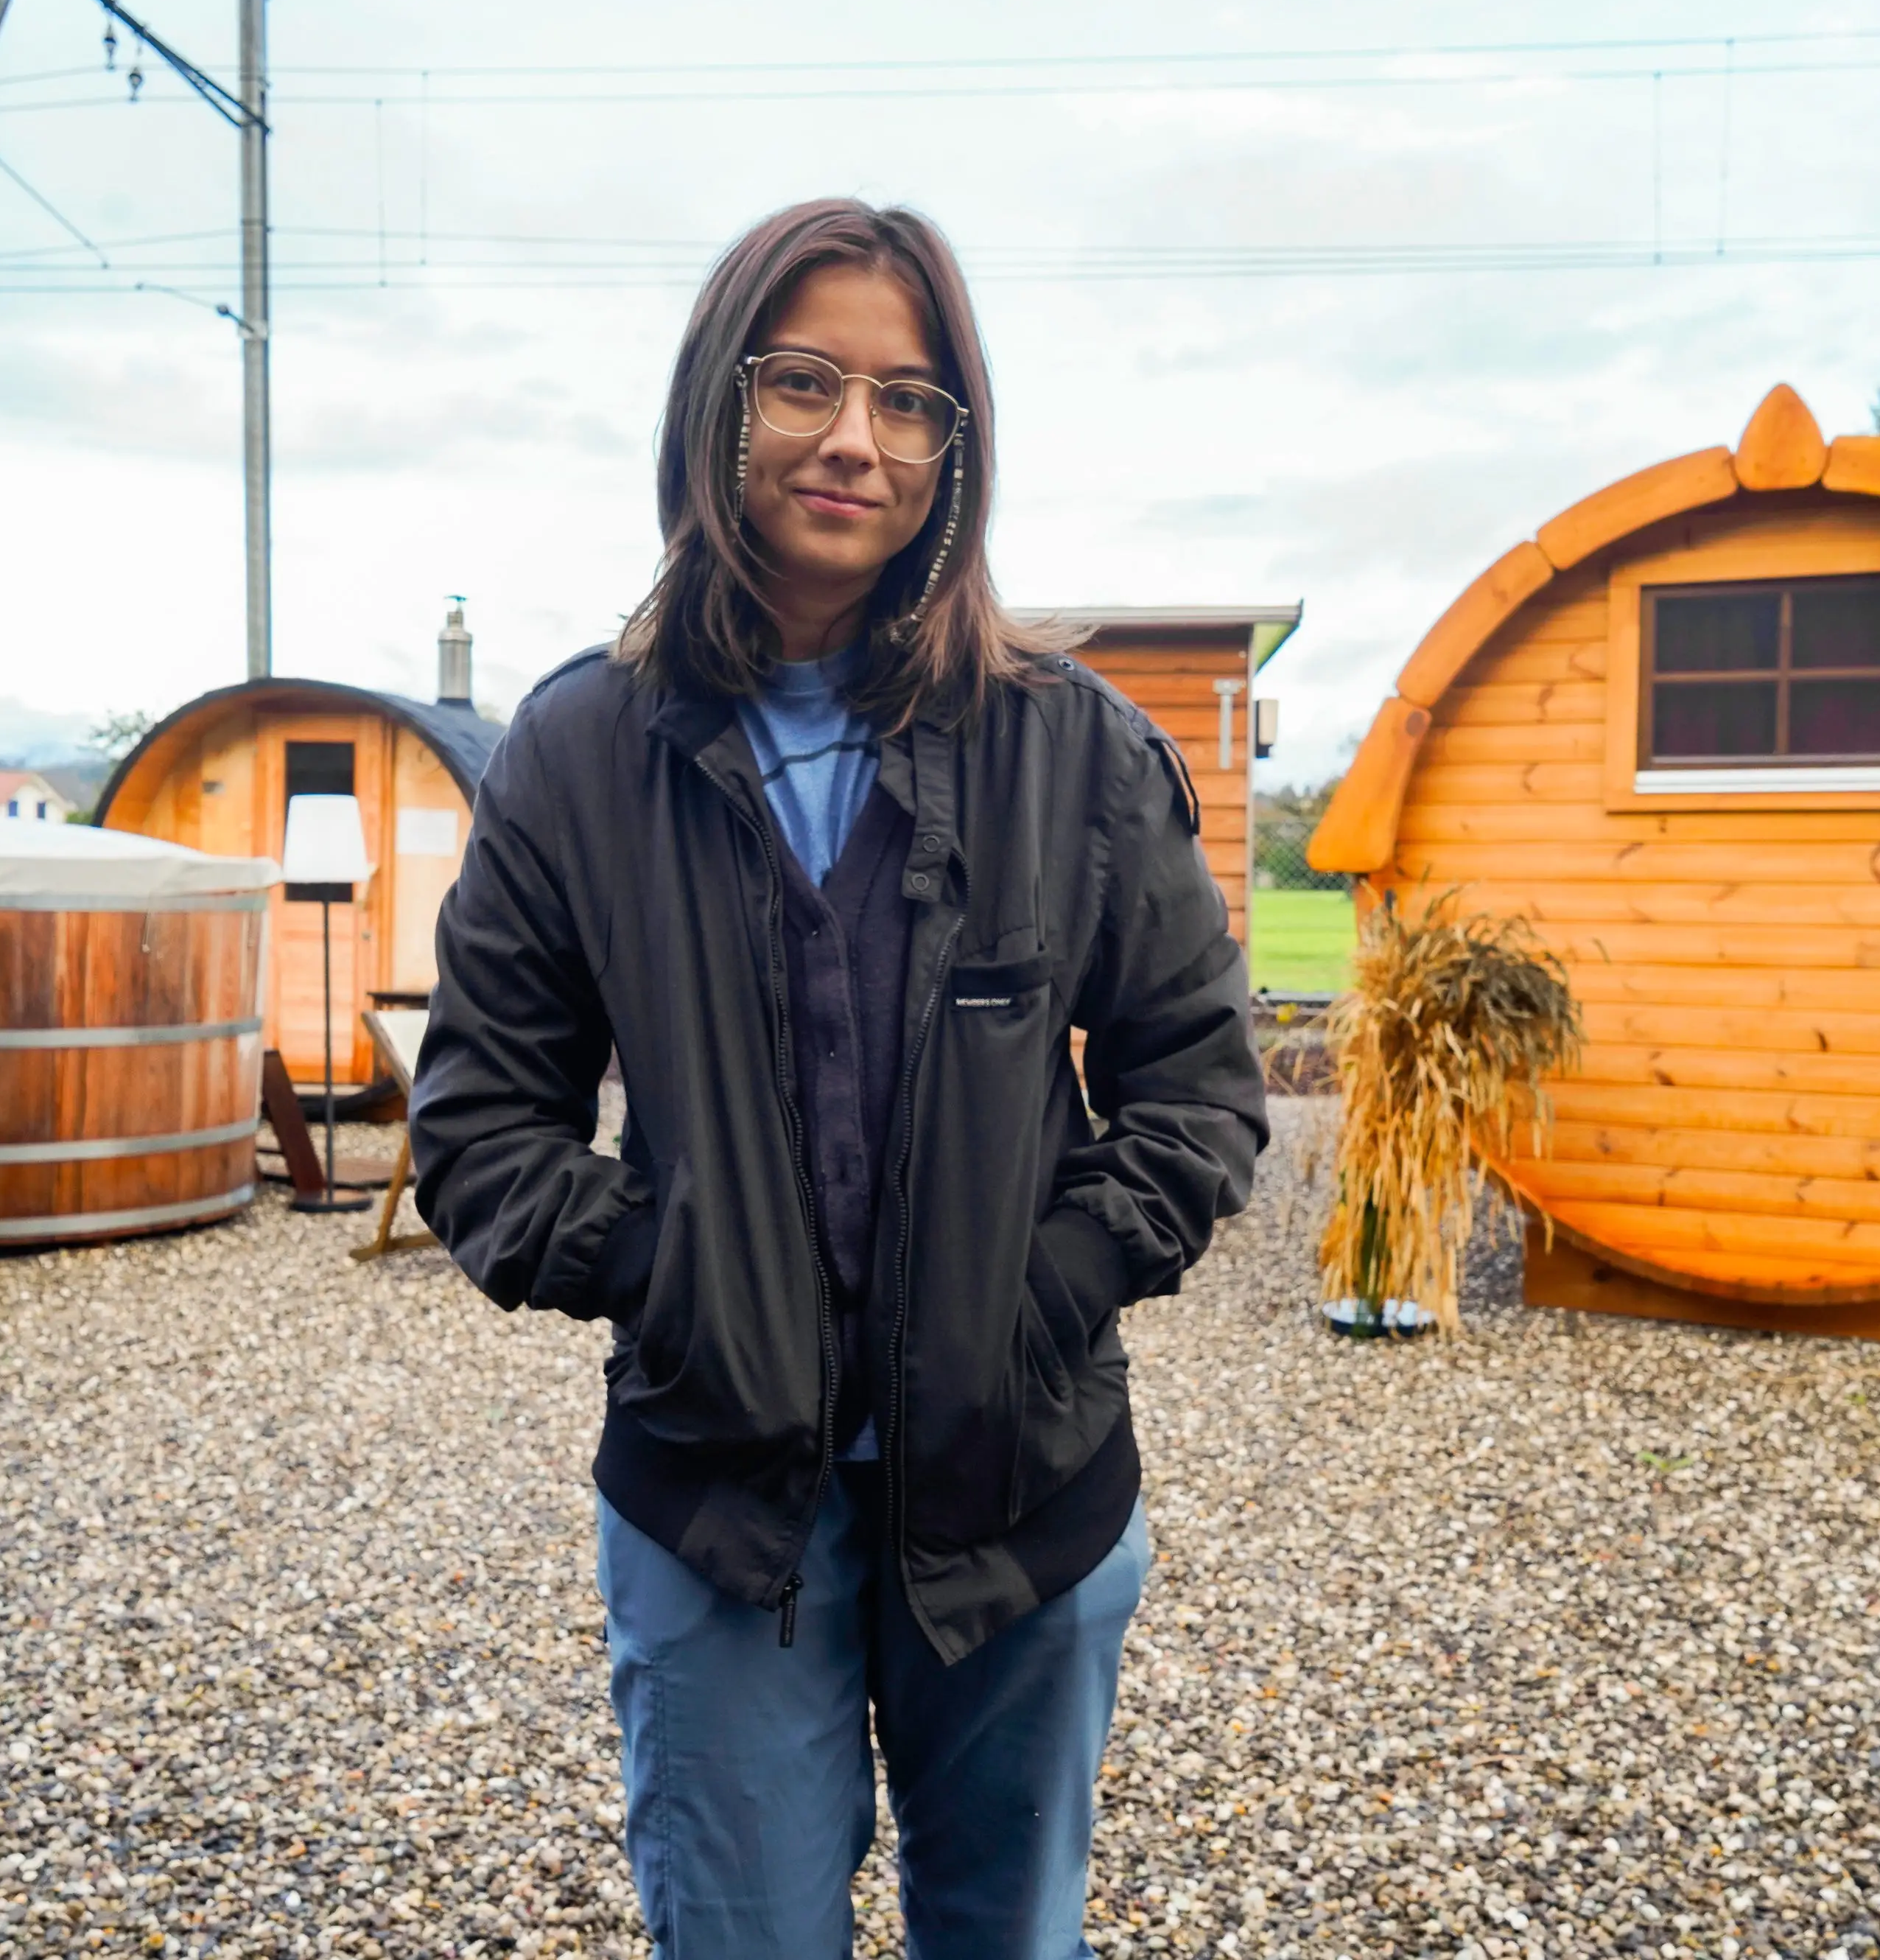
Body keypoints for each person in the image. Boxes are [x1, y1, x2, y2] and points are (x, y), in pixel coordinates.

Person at [410, 197, 1268, 1959]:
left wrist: (1054, 1284)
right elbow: (481, 1120)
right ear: (717, 403)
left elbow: (1198, 1081)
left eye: (909, 399)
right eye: (803, 381)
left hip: (1020, 1493)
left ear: (956, 450)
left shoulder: (1071, 748)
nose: (854, 440)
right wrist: (666, 1280)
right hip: (722, 1510)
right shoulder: (581, 753)